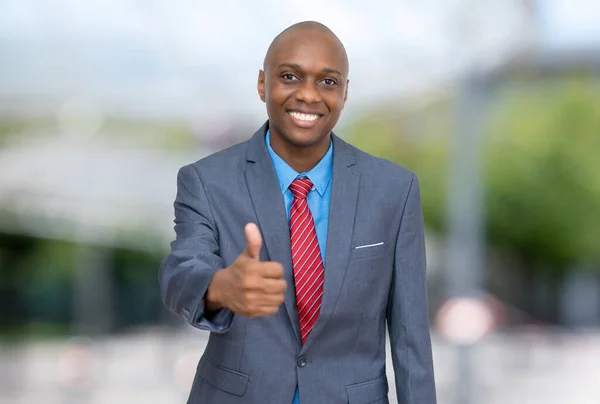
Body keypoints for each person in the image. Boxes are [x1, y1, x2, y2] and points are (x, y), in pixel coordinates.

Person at [159, 21, 436, 404]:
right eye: (290, 76)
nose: (308, 95)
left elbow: (411, 337)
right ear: (262, 84)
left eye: (327, 81)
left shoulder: (394, 190)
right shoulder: (207, 181)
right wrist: (220, 287)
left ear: (344, 92)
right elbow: (180, 272)